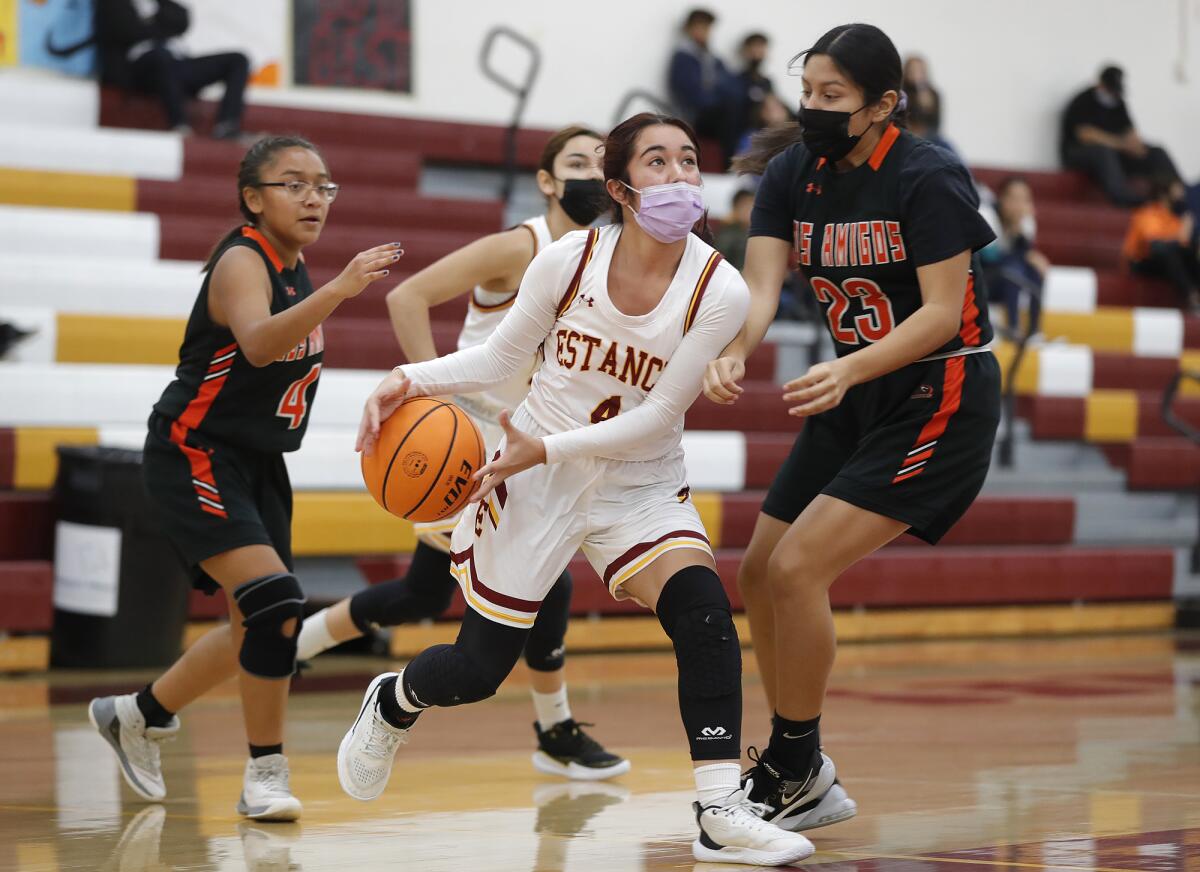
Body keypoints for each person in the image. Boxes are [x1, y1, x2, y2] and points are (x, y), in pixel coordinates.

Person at [336, 113, 817, 867]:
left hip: (638, 481)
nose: (681, 175)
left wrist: (542, 446)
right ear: (622, 187)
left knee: (702, 614)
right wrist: (406, 380)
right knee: (476, 671)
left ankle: (721, 809)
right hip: (538, 479)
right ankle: (395, 700)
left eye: (689, 160)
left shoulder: (716, 287)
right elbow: (498, 360)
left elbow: (659, 414)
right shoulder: (567, 258)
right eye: (658, 162)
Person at [706, 22, 1000, 831]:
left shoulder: (928, 175)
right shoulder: (794, 171)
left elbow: (943, 314)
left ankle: (796, 763)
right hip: (855, 393)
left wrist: (851, 366)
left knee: (799, 568)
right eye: (808, 93)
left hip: (936, 395)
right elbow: (761, 286)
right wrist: (737, 349)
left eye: (832, 97)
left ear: (882, 105)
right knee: (758, 573)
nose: (813, 110)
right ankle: (799, 765)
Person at [295, 126, 630, 780]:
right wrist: (434, 395)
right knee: (548, 579)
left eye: (601, 163)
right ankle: (554, 729)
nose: (591, 172)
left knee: (423, 592)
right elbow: (406, 296)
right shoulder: (520, 245)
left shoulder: (603, 260)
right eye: (576, 162)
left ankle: (297, 640)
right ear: (547, 180)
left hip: (522, 445)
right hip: (464, 442)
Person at [88, 135, 400, 820]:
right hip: (193, 450)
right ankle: (265, 773)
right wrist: (347, 288)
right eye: (294, 184)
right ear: (253, 198)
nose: (314, 196)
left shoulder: (295, 268)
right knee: (274, 602)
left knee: (262, 624)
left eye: (323, 185)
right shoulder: (241, 260)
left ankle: (137, 716)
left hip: (256, 464)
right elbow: (259, 344)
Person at [96, 0, 250, 138]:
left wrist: (150, 23)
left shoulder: (162, 4)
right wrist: (162, 26)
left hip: (178, 64)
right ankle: (179, 125)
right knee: (161, 57)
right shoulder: (113, 3)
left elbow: (182, 20)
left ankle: (226, 126)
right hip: (142, 69)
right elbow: (126, 30)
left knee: (238, 60)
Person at [1060, 65, 1180, 207]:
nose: (1112, 95)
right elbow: (1085, 135)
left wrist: (1136, 146)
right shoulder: (1083, 101)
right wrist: (1121, 145)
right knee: (1103, 152)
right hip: (1079, 154)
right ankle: (1124, 198)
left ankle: (1178, 190)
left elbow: (1130, 131)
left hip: (1114, 154)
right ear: (1100, 84)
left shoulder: (1118, 103)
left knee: (1155, 152)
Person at [667, 8, 744, 165]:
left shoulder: (713, 59)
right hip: (695, 116)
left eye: (706, 27)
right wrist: (718, 95)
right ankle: (728, 163)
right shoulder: (683, 57)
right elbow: (690, 93)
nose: (703, 32)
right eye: (698, 26)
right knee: (728, 110)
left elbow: (733, 87)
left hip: (714, 112)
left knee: (743, 106)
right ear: (688, 29)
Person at [980, 177, 1049, 337]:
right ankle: (1013, 327)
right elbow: (990, 257)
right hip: (983, 279)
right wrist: (1016, 234)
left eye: (1024, 200)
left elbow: (1024, 253)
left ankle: (1034, 330)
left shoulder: (1026, 221)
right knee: (1013, 268)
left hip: (1007, 277)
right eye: (1014, 198)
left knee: (1034, 271)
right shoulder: (987, 215)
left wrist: (1018, 229)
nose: (1019, 205)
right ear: (1002, 198)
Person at [1124, 173, 1200, 311]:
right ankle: (1191, 296)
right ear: (1166, 191)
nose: (1182, 192)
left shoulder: (1174, 217)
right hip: (1142, 261)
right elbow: (1154, 244)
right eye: (1177, 187)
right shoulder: (1148, 213)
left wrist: (1186, 238)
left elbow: (1183, 245)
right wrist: (1181, 236)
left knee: (1191, 250)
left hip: (1166, 260)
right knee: (1164, 250)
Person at [714, 188, 755, 270]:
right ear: (735, 208)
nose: (748, 210)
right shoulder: (727, 235)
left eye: (752, 206)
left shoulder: (755, 234)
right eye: (744, 206)